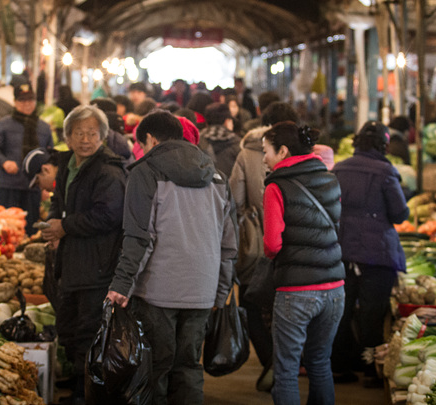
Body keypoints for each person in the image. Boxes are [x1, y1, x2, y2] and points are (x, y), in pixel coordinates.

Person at [107, 110, 237, 405]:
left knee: (157, 369)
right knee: (189, 368)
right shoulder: (217, 178)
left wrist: (121, 285)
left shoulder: (145, 172)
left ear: (150, 139)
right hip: (202, 291)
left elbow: (139, 237)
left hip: (158, 292)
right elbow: (229, 245)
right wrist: (221, 293)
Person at [41, 105, 126, 405]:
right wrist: (53, 224)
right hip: (72, 260)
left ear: (102, 136)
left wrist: (64, 226)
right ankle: (78, 384)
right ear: (68, 136)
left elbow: (108, 216)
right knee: (70, 326)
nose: (86, 139)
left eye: (92, 133)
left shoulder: (109, 171)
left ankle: (85, 394)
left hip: (97, 264)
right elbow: (58, 199)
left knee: (89, 331)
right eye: (79, 133)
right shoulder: (67, 164)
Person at [262, 121, 344, 405]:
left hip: (296, 291)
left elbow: (272, 244)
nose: (264, 158)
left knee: (286, 369)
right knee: (320, 362)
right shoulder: (330, 178)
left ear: (283, 151)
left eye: (267, 151)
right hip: (335, 288)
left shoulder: (276, 186)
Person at [228, 101, 300, 393]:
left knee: (251, 303)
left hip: (258, 245)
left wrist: (251, 215)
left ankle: (272, 360)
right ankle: (286, 364)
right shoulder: (308, 157)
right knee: (288, 310)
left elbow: (234, 201)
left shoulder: (246, 153)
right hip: (296, 247)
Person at [331, 121, 409, 388]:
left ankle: (340, 367)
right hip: (377, 254)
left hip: (342, 250)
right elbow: (400, 214)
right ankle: (370, 370)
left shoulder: (338, 168)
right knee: (372, 313)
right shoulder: (386, 171)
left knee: (341, 310)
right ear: (383, 145)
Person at [0, 82, 54, 234]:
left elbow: (51, 159)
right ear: (15, 102)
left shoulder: (44, 128)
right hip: (9, 186)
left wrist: (47, 186)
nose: (27, 104)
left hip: (33, 188)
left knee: (30, 231)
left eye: (30, 100)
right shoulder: (3, 124)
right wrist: (4, 162)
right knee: (5, 229)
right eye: (22, 100)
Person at [199, 102, 241, 178]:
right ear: (227, 121)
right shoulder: (237, 143)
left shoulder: (198, 141)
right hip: (228, 188)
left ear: (207, 123)